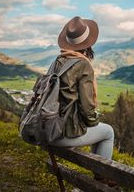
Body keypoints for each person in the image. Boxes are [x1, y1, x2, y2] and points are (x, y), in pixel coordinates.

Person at [49, 16, 114, 163]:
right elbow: (87, 108)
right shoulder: (83, 65)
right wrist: (94, 121)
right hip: (63, 135)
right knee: (108, 132)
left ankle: (99, 175)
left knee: (99, 130)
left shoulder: (56, 63)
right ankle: (102, 177)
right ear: (88, 44)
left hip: (48, 128)